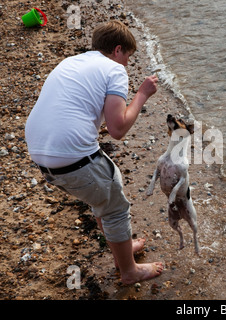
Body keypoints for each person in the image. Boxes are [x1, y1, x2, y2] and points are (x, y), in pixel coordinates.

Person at [25, 20, 163, 285]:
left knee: (101, 195)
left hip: (42, 157)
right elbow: (118, 129)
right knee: (114, 202)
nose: (127, 65)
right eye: (128, 58)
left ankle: (121, 246)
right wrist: (142, 94)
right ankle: (129, 271)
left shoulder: (70, 62)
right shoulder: (114, 69)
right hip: (71, 159)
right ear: (118, 49)